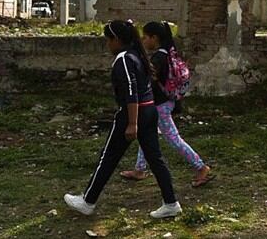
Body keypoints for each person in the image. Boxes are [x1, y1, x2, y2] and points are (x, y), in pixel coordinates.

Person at [64, 20, 182, 219]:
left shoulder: (124, 59)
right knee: (155, 158)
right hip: (149, 110)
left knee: (108, 157)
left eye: (108, 40)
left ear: (116, 40)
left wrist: (132, 123)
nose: (107, 45)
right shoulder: (138, 55)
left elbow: (131, 92)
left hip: (133, 113)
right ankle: (171, 202)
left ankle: (87, 201)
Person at [119, 21, 215, 188]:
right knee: (146, 134)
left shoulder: (159, 58)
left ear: (154, 38)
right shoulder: (169, 53)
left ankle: (201, 167)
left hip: (160, 105)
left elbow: (146, 78)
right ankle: (139, 169)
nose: (144, 40)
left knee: (173, 138)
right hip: (166, 101)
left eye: (145, 37)